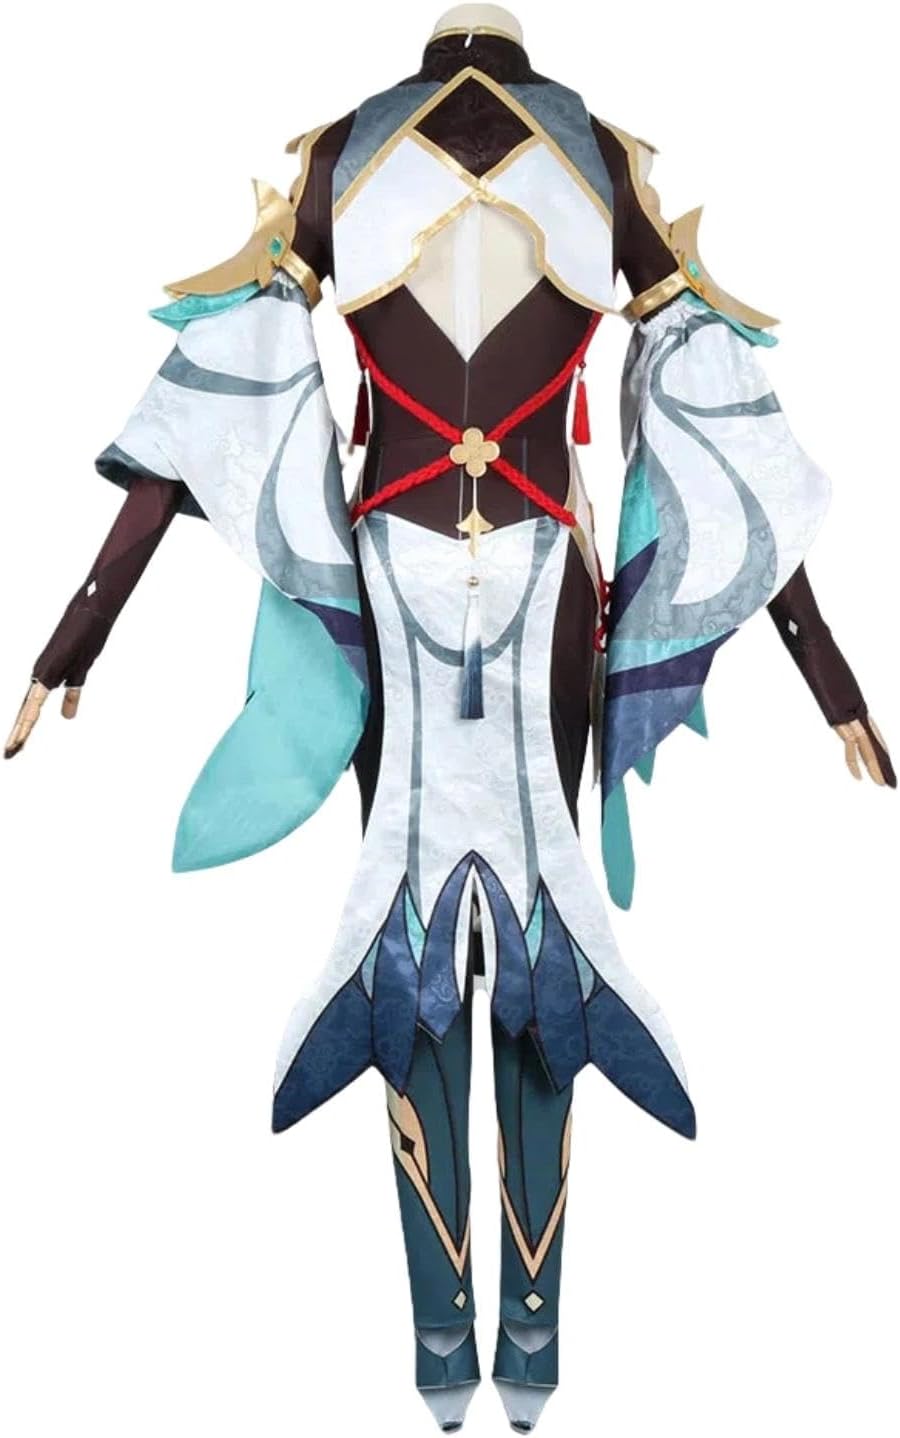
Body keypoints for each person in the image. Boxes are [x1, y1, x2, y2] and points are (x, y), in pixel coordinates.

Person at [4, 7, 894, 1431]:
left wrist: (80, 627)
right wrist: (825, 667)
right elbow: (720, 414)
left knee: (430, 927)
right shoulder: (597, 156)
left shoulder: (341, 156)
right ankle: (515, 1341)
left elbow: (215, 397)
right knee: (504, 931)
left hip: (416, 581)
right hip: (534, 592)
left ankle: (458, 1342)